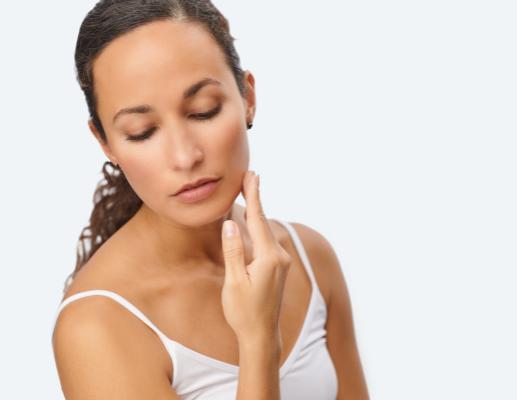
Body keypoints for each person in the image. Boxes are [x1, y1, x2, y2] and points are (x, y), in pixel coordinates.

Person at [50, 1, 369, 399]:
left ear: (247, 96)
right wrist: (257, 339)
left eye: (204, 111)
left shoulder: (310, 258)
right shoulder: (96, 325)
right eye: (142, 131)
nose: (185, 156)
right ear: (106, 143)